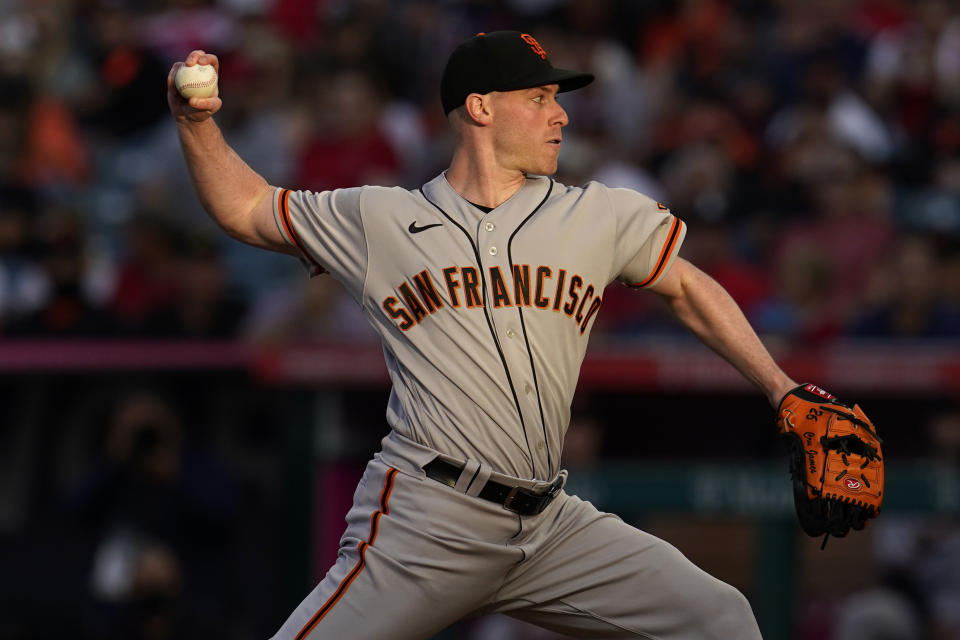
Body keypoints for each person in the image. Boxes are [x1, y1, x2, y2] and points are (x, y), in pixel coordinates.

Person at [168, 31, 797, 639]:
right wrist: (197, 125)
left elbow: (688, 289)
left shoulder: (594, 213)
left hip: (550, 523)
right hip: (428, 521)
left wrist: (783, 390)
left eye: (558, 99)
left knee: (721, 620)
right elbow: (248, 209)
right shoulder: (382, 218)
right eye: (540, 99)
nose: (561, 117)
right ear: (480, 107)